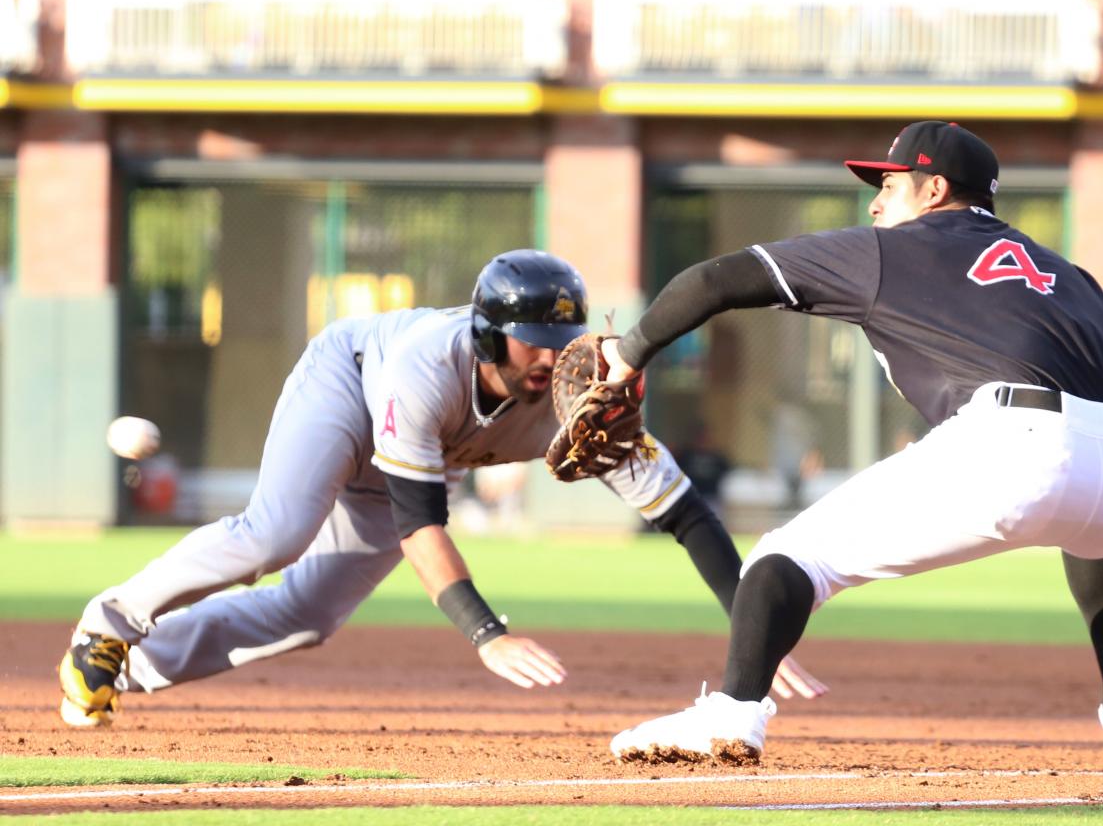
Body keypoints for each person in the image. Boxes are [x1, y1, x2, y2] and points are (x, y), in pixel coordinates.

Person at [603, 122, 1103, 768]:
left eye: (888, 186)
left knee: (786, 558)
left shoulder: (890, 251)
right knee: (1098, 523)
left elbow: (713, 281)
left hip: (1023, 447)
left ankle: (733, 713)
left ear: (934, 191)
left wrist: (628, 351)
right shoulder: (1063, 274)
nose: (874, 203)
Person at [59, 250, 825, 728]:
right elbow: (420, 523)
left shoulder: (579, 398)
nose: (555, 357)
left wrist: (750, 623)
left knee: (308, 614)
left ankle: (131, 667)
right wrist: (488, 634)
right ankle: (112, 619)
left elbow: (687, 515)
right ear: (491, 333)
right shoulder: (427, 366)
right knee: (276, 534)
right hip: (350, 390)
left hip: (416, 457)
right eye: (538, 339)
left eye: (567, 340)